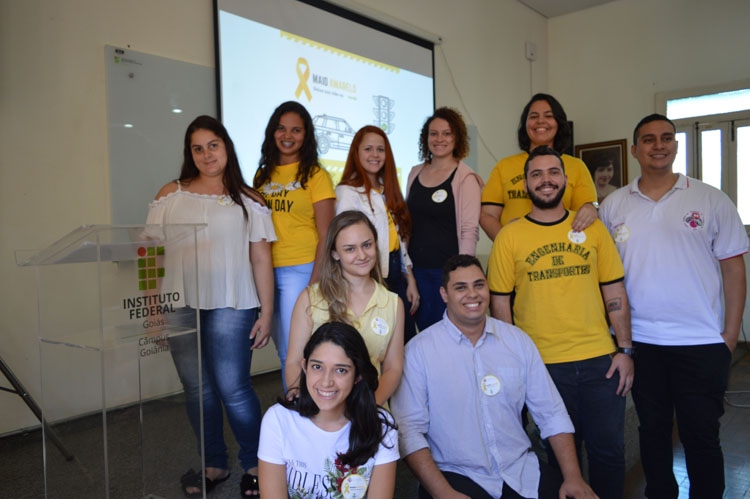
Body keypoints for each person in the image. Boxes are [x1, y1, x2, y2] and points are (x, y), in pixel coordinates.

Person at [599, 114, 748, 499]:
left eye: (666, 138)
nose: (658, 145)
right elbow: (604, 278)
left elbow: (733, 270)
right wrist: (618, 343)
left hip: (701, 343)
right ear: (635, 150)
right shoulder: (613, 205)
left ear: (676, 146)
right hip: (640, 344)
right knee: (652, 431)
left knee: (701, 435)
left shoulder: (710, 198)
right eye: (648, 139)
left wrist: (729, 337)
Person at [488, 146, 633, 499]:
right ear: (526, 184)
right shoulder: (510, 236)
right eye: (536, 174)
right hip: (542, 366)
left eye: (553, 173)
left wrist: (625, 350)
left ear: (566, 180)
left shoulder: (593, 229)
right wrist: (515, 360)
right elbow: (500, 303)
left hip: (601, 362)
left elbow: (614, 292)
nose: (546, 180)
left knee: (609, 455)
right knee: (556, 462)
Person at [391, 255, 597, 499]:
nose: (473, 294)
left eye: (479, 285)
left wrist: (573, 477)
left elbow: (551, 413)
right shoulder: (418, 352)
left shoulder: (517, 341)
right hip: (454, 475)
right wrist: (443, 493)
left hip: (520, 470)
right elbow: (408, 431)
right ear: (444, 294)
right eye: (461, 287)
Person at [147, 115, 275, 497]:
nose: (206, 154)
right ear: (190, 153)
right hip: (179, 303)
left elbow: (261, 260)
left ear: (227, 147)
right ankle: (214, 464)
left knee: (234, 388)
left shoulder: (249, 199)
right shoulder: (171, 193)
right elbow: (149, 254)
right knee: (196, 388)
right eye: (197, 148)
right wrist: (153, 306)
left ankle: (255, 464)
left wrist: (266, 313)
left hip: (232, 305)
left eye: (212, 145)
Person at [258, 322, 399, 498]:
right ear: (305, 367)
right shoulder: (278, 420)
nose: (326, 382)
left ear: (358, 376)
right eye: (317, 367)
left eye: (341, 370)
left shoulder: (381, 425)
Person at [253, 101, 336, 384]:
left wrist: (314, 283)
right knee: (281, 346)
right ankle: (297, 402)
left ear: (306, 135)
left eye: (296, 130)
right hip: (265, 270)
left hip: (300, 269)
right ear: (272, 132)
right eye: (281, 128)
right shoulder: (262, 175)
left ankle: (298, 406)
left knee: (295, 347)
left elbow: (327, 233)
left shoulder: (316, 175)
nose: (288, 135)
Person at [285, 210, 405, 406]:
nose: (362, 255)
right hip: (320, 408)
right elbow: (294, 362)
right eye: (350, 249)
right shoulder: (310, 298)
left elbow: (393, 368)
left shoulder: (393, 303)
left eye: (367, 245)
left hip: (368, 408)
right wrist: (307, 404)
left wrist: (369, 407)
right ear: (335, 253)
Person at [336, 125, 419, 342]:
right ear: (357, 152)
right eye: (368, 149)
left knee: (405, 340)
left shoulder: (388, 189)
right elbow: (347, 243)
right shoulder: (347, 192)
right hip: (368, 275)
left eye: (380, 150)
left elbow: (399, 242)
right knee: (378, 342)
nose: (375, 155)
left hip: (395, 274)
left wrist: (410, 279)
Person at [406, 107, 483, 331]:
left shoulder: (465, 177)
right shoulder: (414, 173)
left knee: (449, 336)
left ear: (457, 137)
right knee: (421, 338)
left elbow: (470, 230)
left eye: (447, 133)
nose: (439, 139)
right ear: (426, 138)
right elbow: (406, 225)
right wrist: (407, 271)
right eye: (434, 133)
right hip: (416, 274)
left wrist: (462, 277)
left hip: (448, 276)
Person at [480, 93, 598, 241]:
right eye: (534, 116)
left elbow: (587, 208)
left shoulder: (577, 166)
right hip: (514, 255)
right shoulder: (504, 166)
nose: (540, 121)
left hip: (560, 254)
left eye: (548, 116)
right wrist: (508, 242)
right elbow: (487, 215)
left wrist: (592, 207)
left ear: (559, 123)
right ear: (525, 124)